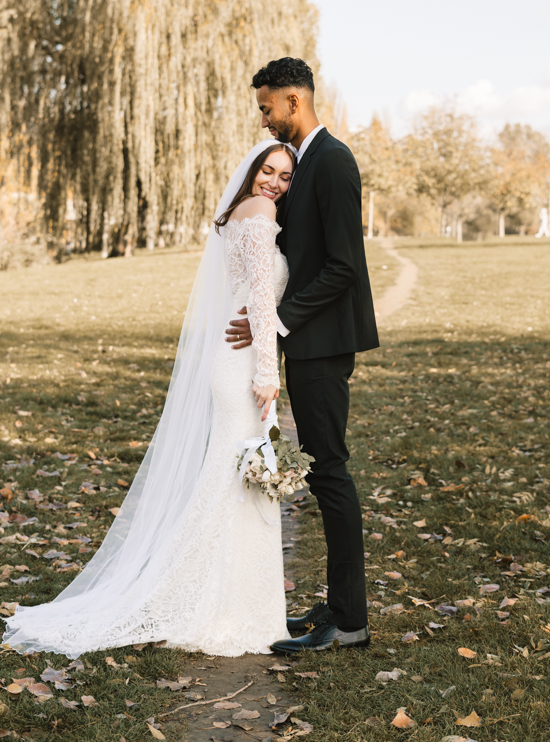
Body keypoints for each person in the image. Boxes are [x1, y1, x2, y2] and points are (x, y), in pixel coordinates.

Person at [3, 140, 295, 658]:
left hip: (238, 359)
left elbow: (253, 304)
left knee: (236, 477)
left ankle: (228, 598)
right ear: (252, 172)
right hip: (244, 368)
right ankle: (219, 604)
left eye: (284, 177)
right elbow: (259, 302)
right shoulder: (261, 210)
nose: (274, 182)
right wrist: (269, 375)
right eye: (267, 171)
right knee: (239, 477)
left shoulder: (242, 212)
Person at [226, 57, 379, 653]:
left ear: (293, 101)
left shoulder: (334, 161)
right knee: (323, 472)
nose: (264, 120)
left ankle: (350, 620)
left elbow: (345, 266)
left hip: (323, 343)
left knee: (331, 473)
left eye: (267, 108)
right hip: (306, 342)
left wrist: (278, 325)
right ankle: (335, 607)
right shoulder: (303, 163)